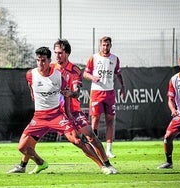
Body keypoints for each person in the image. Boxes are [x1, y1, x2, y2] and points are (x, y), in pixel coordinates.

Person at [8, 46, 115, 175]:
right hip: (39, 117)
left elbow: (68, 94)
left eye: (43, 60)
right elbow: (30, 84)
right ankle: (39, 163)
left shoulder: (59, 75)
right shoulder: (31, 74)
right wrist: (32, 93)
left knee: (77, 140)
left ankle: (103, 166)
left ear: (49, 61)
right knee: (22, 147)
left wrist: (68, 113)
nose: (40, 63)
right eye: (38, 60)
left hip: (57, 115)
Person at [83, 36, 126, 158]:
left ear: (110, 46)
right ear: (100, 45)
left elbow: (118, 74)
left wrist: (123, 87)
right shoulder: (94, 58)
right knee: (95, 120)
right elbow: (85, 73)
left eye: (107, 45)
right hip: (97, 92)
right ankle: (93, 145)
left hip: (110, 93)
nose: (105, 47)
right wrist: (93, 78)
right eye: (103, 45)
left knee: (110, 121)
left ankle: (108, 150)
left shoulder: (115, 59)